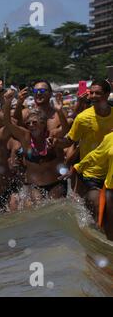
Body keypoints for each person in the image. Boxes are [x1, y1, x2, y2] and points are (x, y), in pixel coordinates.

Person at [1, 88, 68, 202]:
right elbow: (8, 123)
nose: (31, 125)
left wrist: (59, 111)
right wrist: (7, 102)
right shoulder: (25, 136)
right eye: (28, 123)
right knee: (38, 209)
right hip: (34, 186)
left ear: (43, 123)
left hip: (55, 184)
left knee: (54, 208)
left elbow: (66, 128)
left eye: (34, 122)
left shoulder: (52, 134)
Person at [57, 80, 113, 216]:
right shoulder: (82, 118)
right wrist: (56, 142)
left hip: (111, 171)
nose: (93, 96)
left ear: (107, 95)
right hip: (90, 173)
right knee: (96, 206)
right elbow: (70, 140)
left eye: (97, 93)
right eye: (91, 92)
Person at [66, 132, 113, 240]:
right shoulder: (110, 138)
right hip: (111, 188)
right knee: (107, 230)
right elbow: (95, 155)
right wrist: (77, 167)